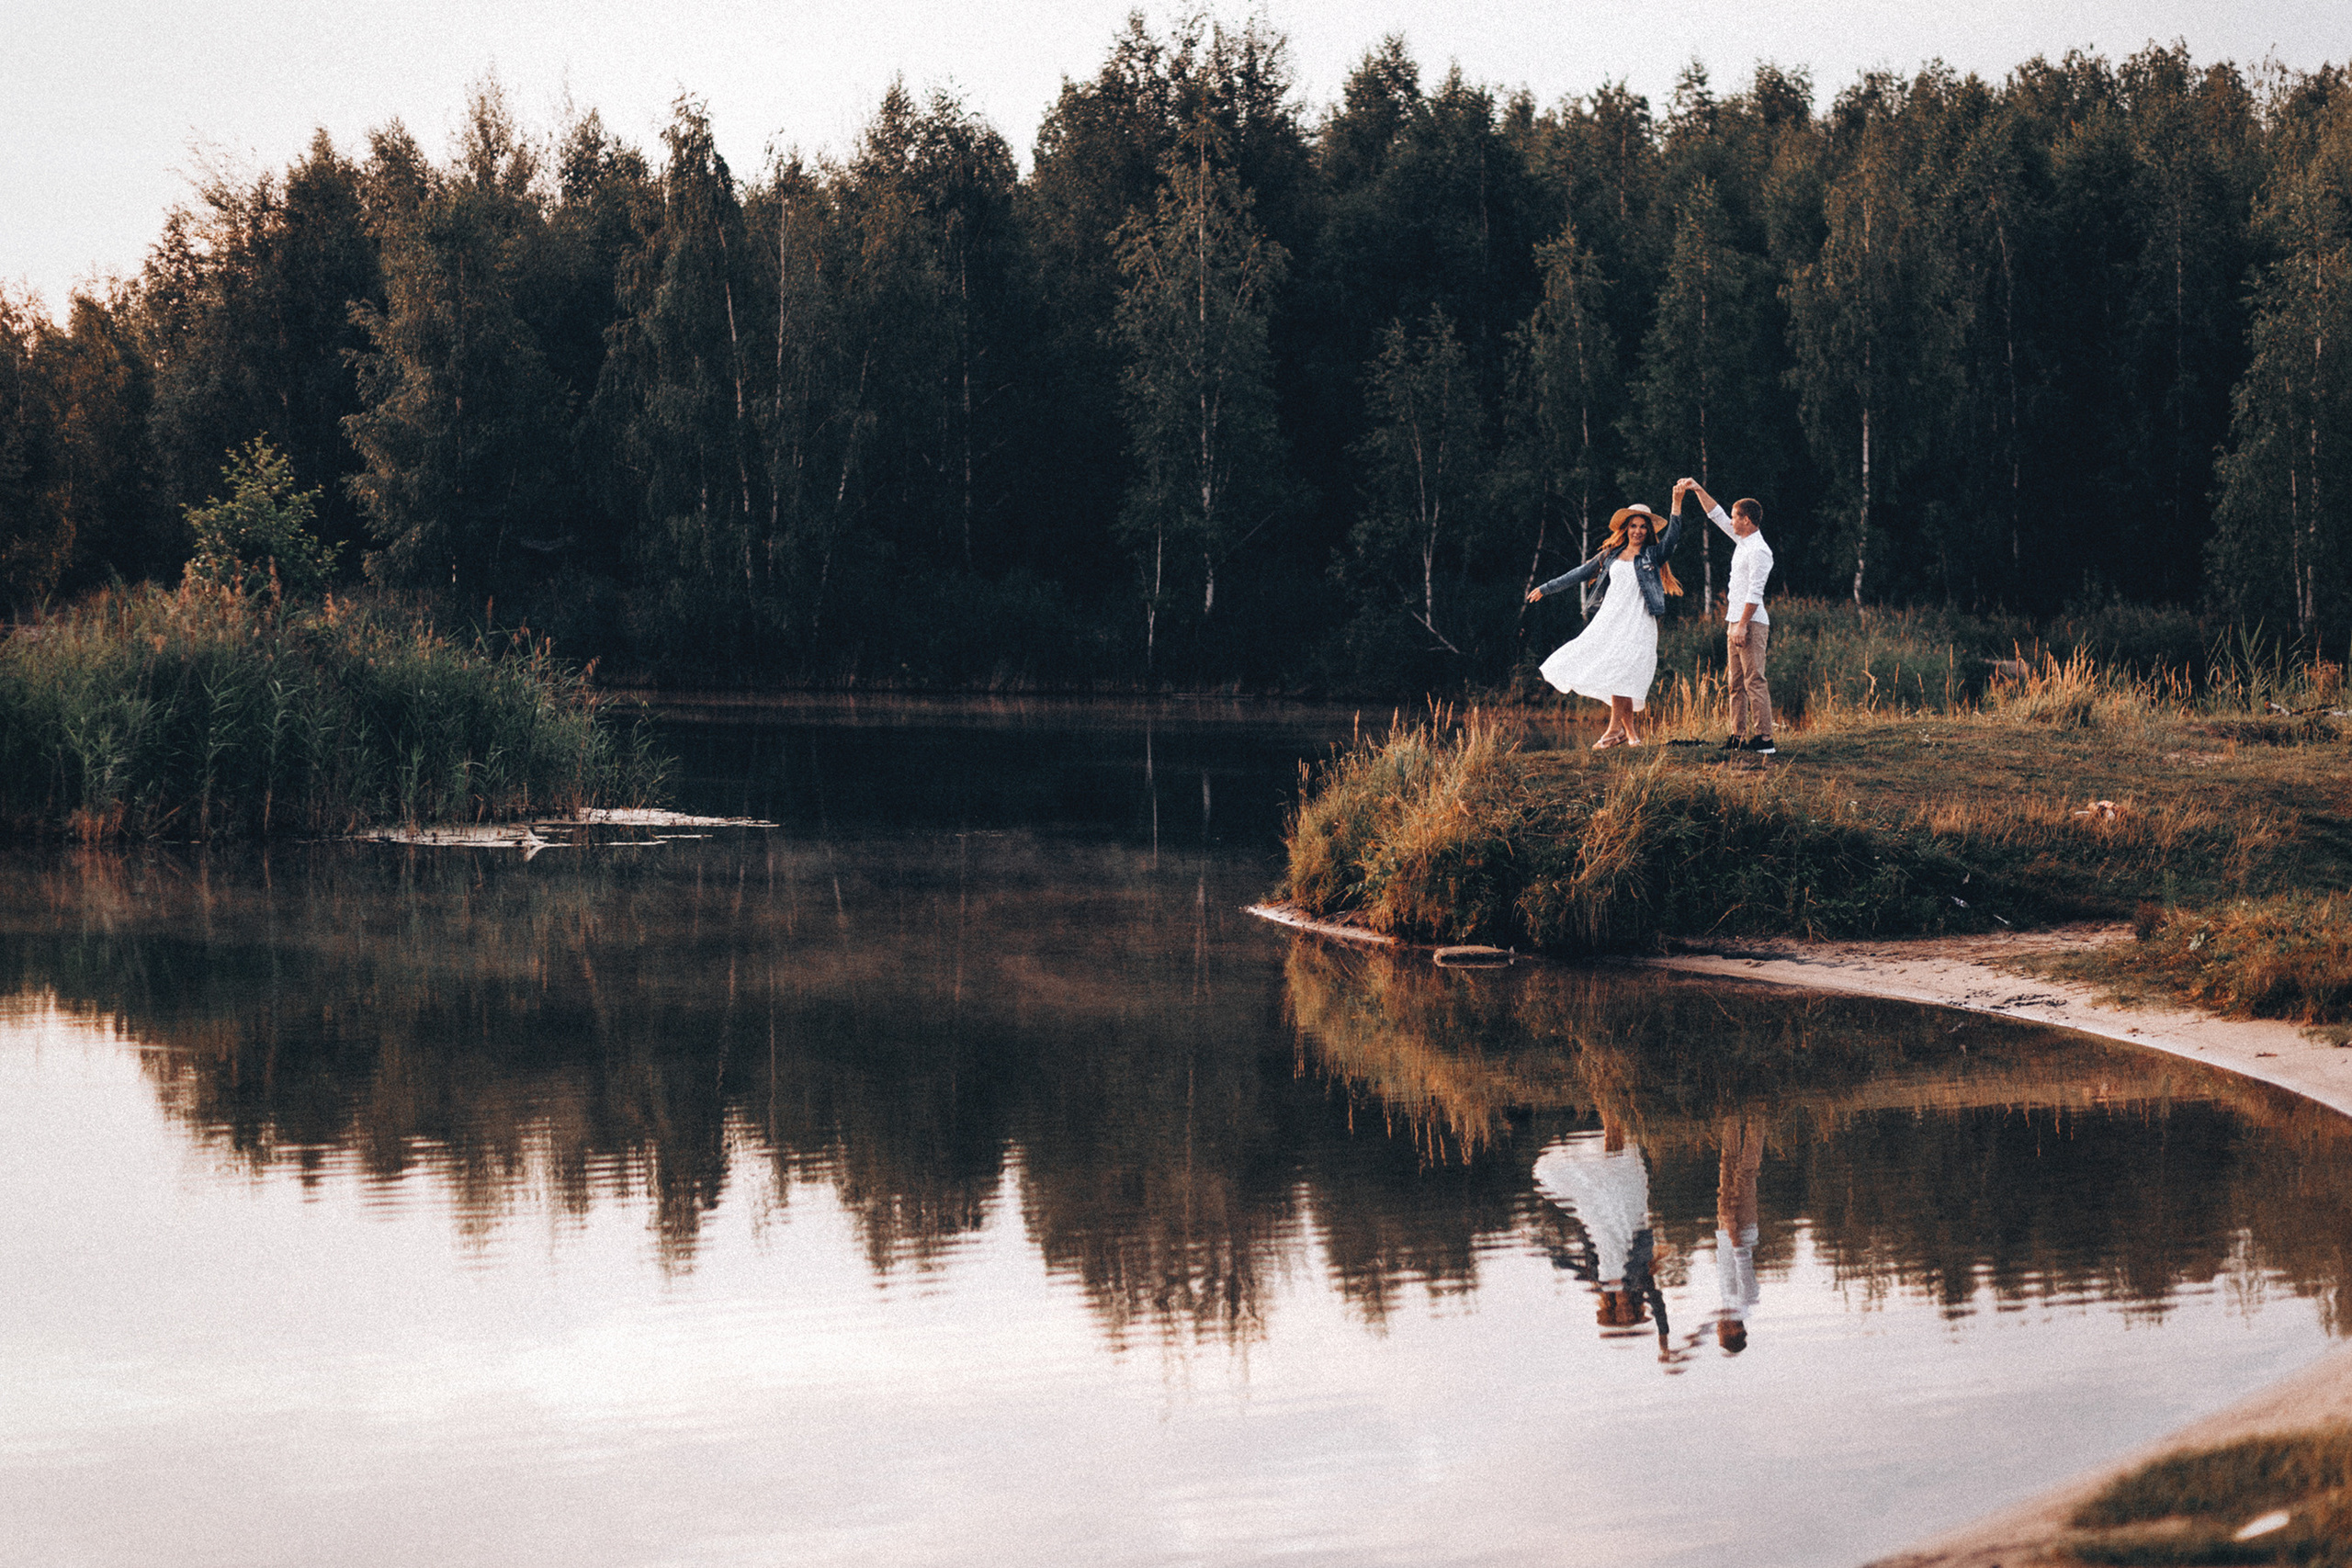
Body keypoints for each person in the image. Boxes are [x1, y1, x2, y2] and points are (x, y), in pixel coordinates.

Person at [1523, 486, 1690, 749]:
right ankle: (1624, 732)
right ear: (1625, 529)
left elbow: (1673, 538)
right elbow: (1579, 573)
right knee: (1615, 670)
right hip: (1611, 620)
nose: (1638, 531)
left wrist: (1676, 503)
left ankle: (1618, 732)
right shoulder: (1610, 556)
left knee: (1625, 671)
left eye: (1643, 527)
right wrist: (1546, 588)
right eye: (1633, 526)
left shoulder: (1652, 555)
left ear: (1648, 531)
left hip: (1639, 621)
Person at [1683, 479, 1775, 754]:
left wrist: (1743, 625)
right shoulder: (1743, 541)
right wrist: (1698, 489)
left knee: (1754, 680)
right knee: (1735, 684)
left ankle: (1764, 740)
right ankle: (1738, 736)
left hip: (1751, 622)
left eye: (1736, 518)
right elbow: (1717, 515)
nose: (1732, 522)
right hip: (1735, 621)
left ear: (1746, 520)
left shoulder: (1759, 550)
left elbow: (1755, 593)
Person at [1713, 1116, 1765, 1353]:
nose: (1717, 1330)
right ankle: (1757, 1114)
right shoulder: (1743, 1303)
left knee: (1728, 1168)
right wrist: (1733, 1230)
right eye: (1721, 1334)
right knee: (1745, 1174)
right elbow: (1743, 1264)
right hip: (1739, 1232)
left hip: (1728, 1232)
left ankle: (1731, 1117)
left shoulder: (1731, 1307)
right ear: (1734, 1331)